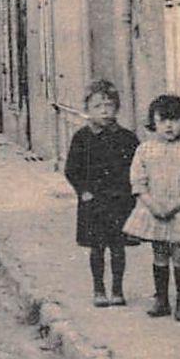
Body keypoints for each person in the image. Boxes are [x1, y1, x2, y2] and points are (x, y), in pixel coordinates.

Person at [124, 95, 180, 322]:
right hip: (154, 209)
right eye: (163, 121)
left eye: (174, 120)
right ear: (154, 123)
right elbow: (138, 182)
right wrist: (152, 205)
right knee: (159, 253)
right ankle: (161, 300)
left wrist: (174, 205)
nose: (169, 126)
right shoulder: (145, 150)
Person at [64, 80, 141, 307]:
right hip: (93, 202)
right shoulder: (82, 138)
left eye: (109, 105)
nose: (105, 111)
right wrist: (83, 191)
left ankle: (117, 289)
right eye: (98, 106)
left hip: (119, 201)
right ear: (88, 110)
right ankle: (99, 288)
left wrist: (134, 193)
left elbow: (137, 167)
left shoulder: (127, 138)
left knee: (118, 248)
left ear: (117, 108)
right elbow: (71, 170)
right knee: (96, 248)